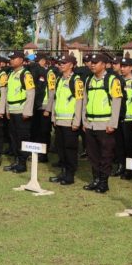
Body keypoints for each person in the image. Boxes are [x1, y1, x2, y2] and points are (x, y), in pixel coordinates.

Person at [82, 52, 122, 194]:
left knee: (105, 155)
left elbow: (117, 103)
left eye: (96, 62)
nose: (92, 65)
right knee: (93, 155)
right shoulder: (89, 80)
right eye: (91, 62)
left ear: (104, 65)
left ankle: (104, 183)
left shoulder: (112, 80)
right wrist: (84, 121)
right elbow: (84, 102)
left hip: (105, 125)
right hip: (91, 123)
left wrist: (113, 123)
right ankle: (96, 180)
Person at [48, 54, 85, 185]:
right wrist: (53, 116)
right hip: (59, 121)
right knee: (60, 148)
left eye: (64, 62)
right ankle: (63, 172)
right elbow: (56, 99)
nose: (61, 65)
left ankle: (70, 175)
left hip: (70, 122)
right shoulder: (59, 79)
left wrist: (77, 121)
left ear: (71, 65)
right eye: (60, 63)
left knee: (70, 149)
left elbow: (80, 101)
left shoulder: (77, 80)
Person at [4, 50, 35, 173]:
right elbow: (8, 93)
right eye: (10, 58)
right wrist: (7, 109)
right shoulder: (11, 74)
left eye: (14, 58)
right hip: (12, 110)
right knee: (14, 137)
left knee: (22, 137)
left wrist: (27, 111)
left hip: (22, 111)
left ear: (21, 60)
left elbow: (31, 93)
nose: (11, 60)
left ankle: (22, 163)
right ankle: (16, 161)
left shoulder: (26, 74)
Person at [116, 57, 132, 180]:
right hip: (119, 118)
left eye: (125, 66)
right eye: (121, 66)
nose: (122, 68)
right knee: (119, 145)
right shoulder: (118, 80)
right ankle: (121, 167)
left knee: (130, 146)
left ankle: (129, 170)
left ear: (131, 67)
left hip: (130, 119)